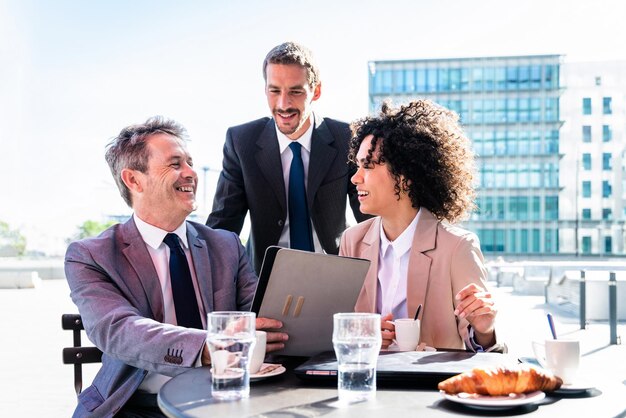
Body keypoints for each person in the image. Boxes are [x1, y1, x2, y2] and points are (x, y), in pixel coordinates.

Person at [65, 117, 287, 418]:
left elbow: (260, 314)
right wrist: (207, 347)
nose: (191, 173)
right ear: (134, 180)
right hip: (136, 406)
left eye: (190, 162)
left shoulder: (226, 245)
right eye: (175, 164)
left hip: (228, 398)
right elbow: (118, 330)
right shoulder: (92, 255)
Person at [339, 100, 503, 352]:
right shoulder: (352, 241)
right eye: (357, 165)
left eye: (368, 166)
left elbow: (480, 349)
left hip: (429, 389)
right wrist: (363, 335)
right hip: (369, 384)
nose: (355, 177)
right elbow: (341, 330)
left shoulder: (457, 247)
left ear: (405, 177)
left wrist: (485, 331)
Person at [207, 41, 370, 273]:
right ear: (265, 90)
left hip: (333, 271)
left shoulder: (347, 139)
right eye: (274, 91)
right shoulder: (241, 142)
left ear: (316, 91)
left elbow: (372, 219)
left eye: (295, 91)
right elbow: (223, 226)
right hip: (265, 276)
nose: (283, 104)